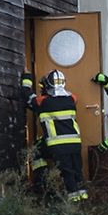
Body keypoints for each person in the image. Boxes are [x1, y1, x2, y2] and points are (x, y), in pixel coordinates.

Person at [25, 69, 87, 202]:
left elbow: (27, 97)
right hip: (75, 143)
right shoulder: (71, 99)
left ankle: (43, 185)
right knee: (77, 172)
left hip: (58, 145)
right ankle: (84, 200)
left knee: (67, 173)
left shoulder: (43, 102)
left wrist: (27, 77)